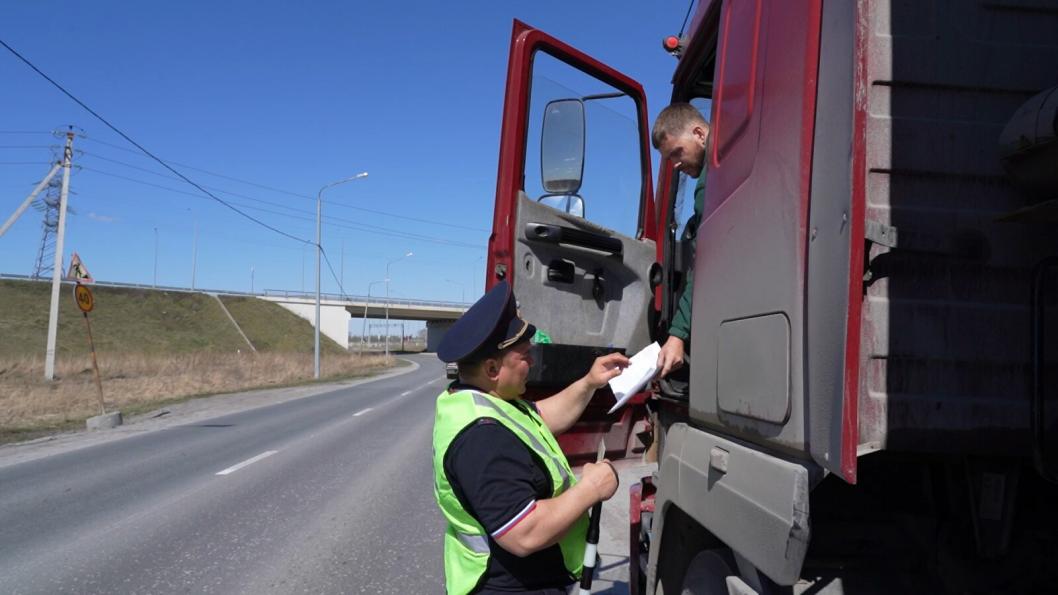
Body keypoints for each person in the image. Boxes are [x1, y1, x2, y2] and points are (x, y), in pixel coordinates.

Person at [432, 281, 630, 594]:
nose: (533, 362)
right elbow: (524, 533)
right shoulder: (482, 438)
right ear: (493, 368)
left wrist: (589, 382)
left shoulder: (486, 400)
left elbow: (542, 417)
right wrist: (591, 488)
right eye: (525, 356)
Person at [650, 103, 711, 378]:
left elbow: (706, 262)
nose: (675, 164)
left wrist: (677, 335)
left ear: (699, 134)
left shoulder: (712, 180)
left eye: (677, 152)